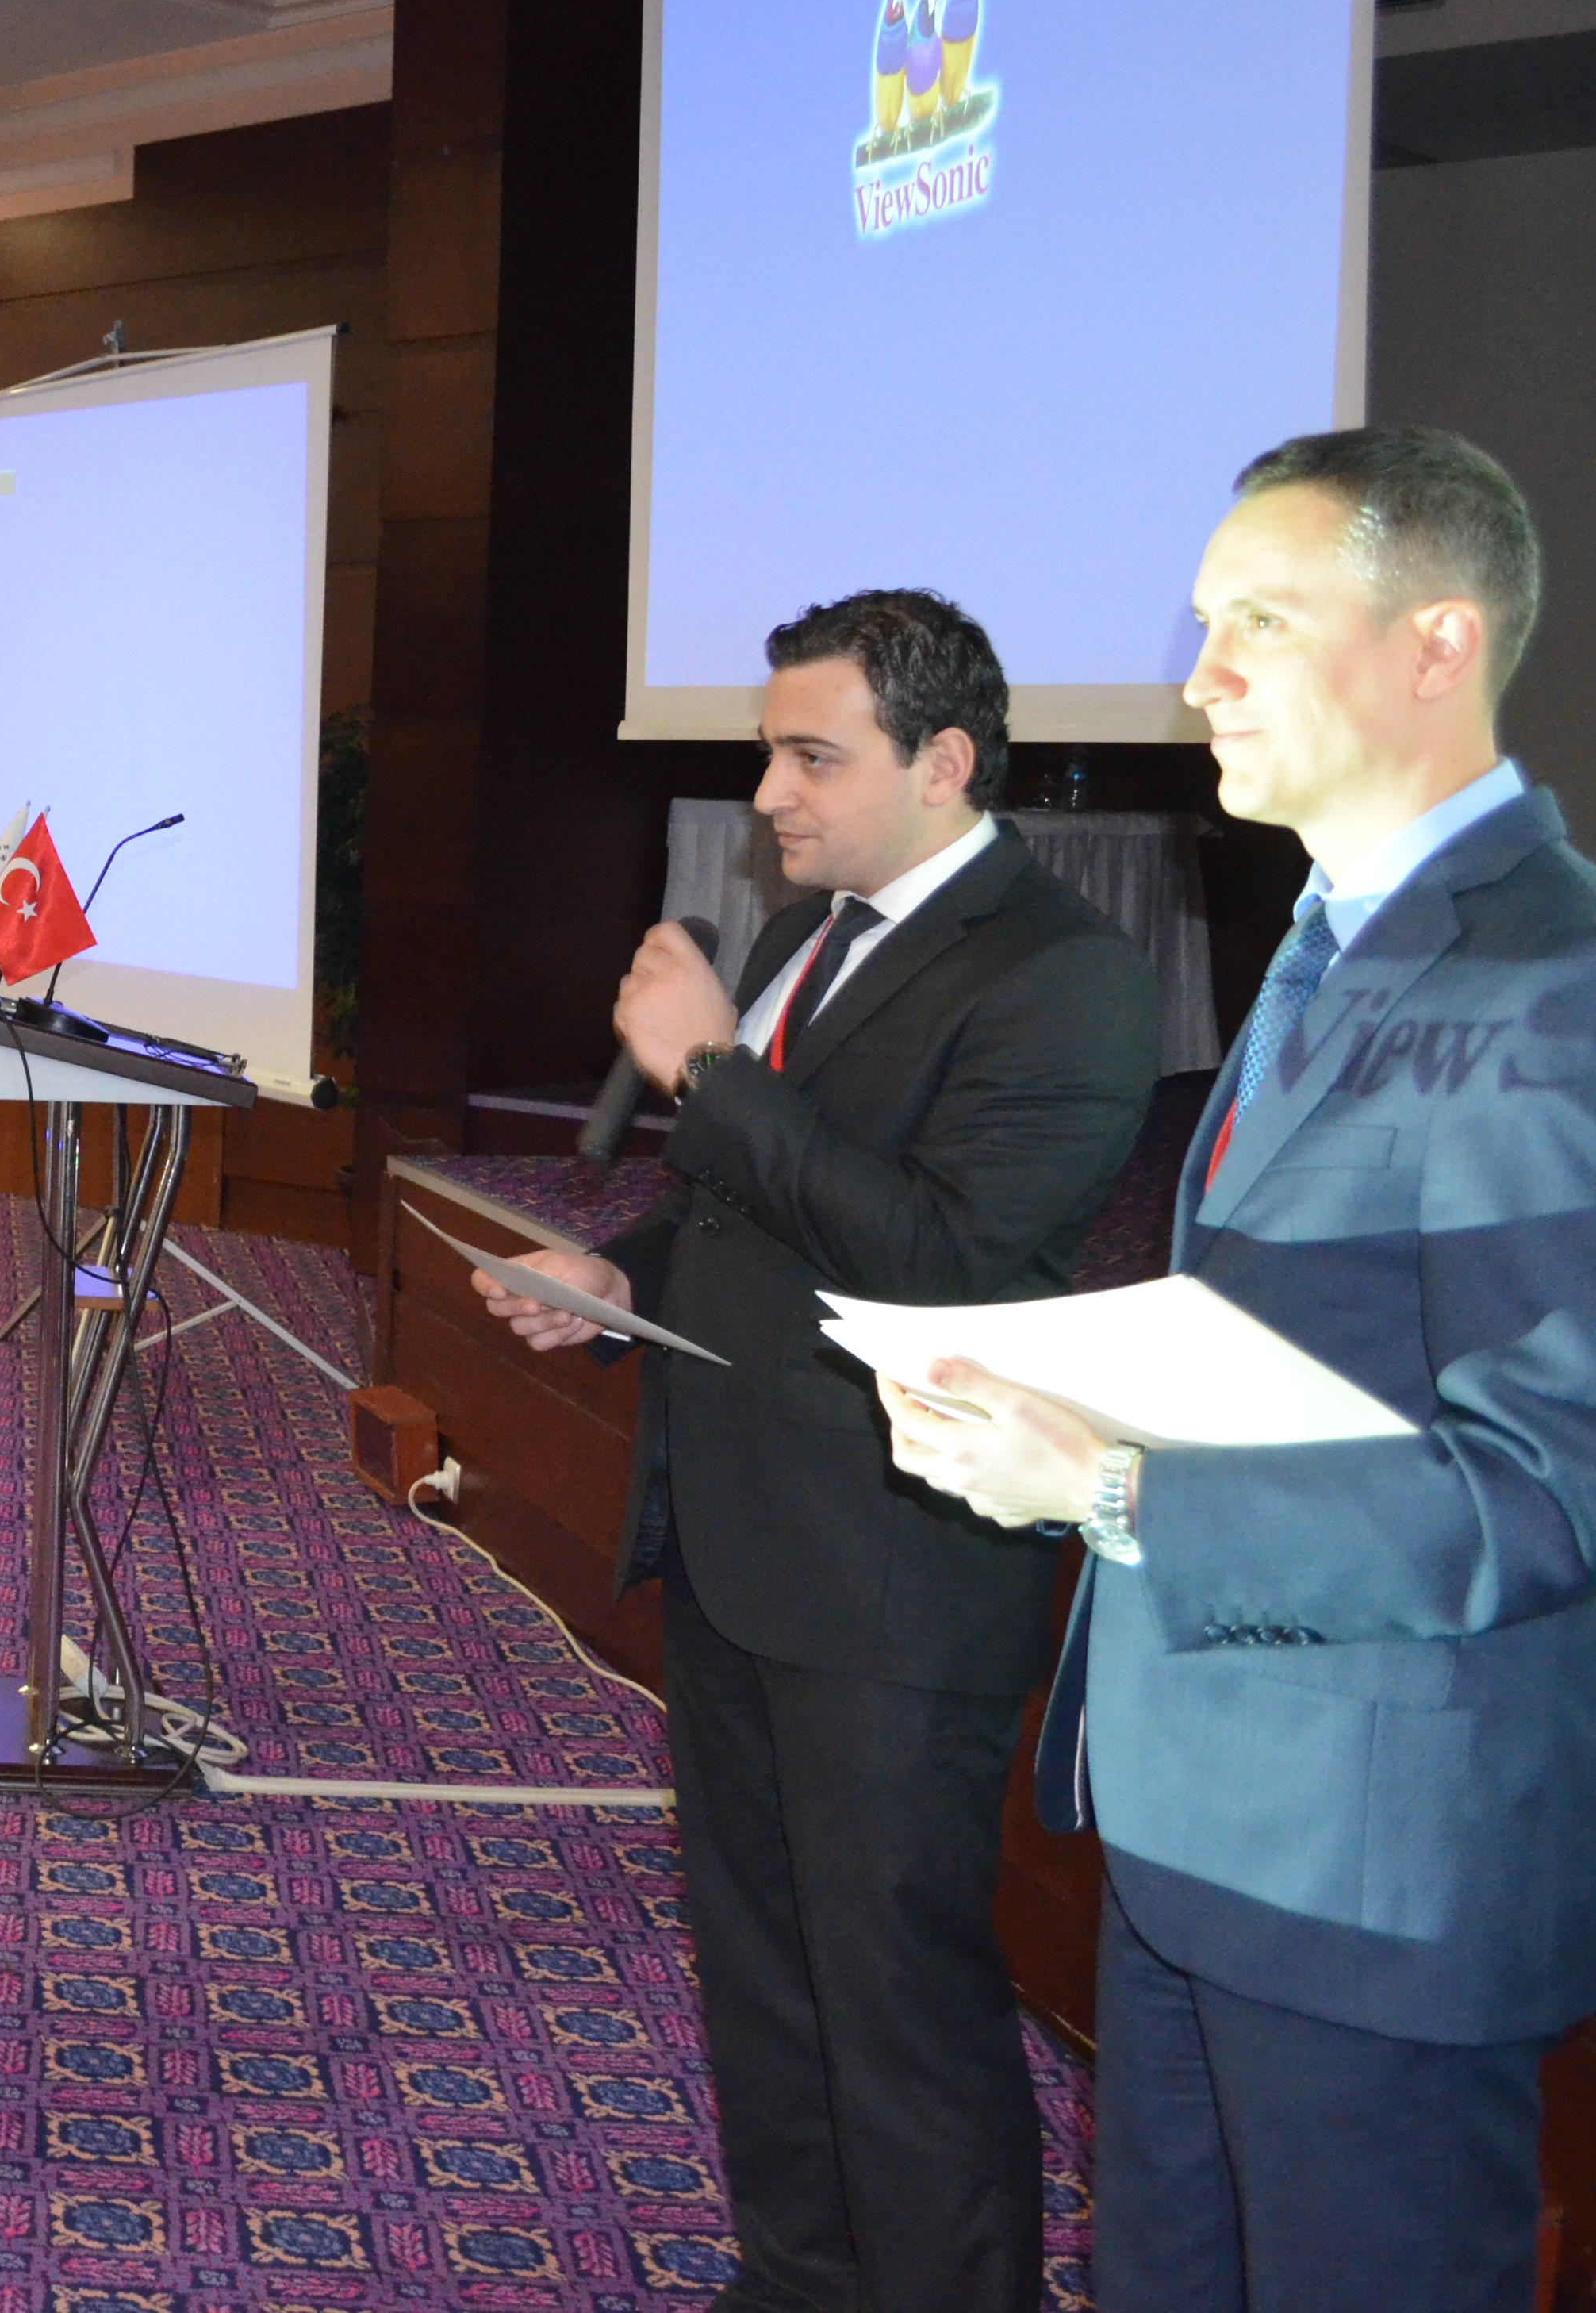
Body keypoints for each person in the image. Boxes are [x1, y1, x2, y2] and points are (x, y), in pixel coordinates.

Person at [880, 430, 1596, 2313]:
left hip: (1374, 1875)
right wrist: (1064, 1412)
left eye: (1257, 622)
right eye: (1203, 623)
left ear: (1436, 644)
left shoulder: (1550, 982)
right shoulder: (1326, 938)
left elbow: (1538, 1493)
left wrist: (1112, 1486)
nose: (1198, 675)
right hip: (1201, 1825)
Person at [474, 589, 1159, 2313]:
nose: (767, 793)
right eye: (767, 754)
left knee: (896, 2006)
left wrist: (709, 1066)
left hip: (889, 1576)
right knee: (765, 1978)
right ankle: (796, 2281)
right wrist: (615, 1277)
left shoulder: (1063, 974)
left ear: (942, 761)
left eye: (810, 757)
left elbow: (941, 1256)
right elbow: (744, 1206)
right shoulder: (809, 932)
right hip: (736, 1540)